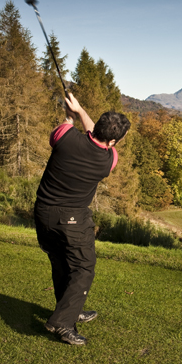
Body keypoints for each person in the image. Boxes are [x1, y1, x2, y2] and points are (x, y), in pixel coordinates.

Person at [34, 93, 130, 345]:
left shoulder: (64, 136)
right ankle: (61, 323)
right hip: (72, 219)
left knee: (60, 262)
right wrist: (79, 112)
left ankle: (69, 310)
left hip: (43, 213)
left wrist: (72, 113)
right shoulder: (108, 160)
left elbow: (77, 131)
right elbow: (97, 139)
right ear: (112, 141)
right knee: (83, 268)